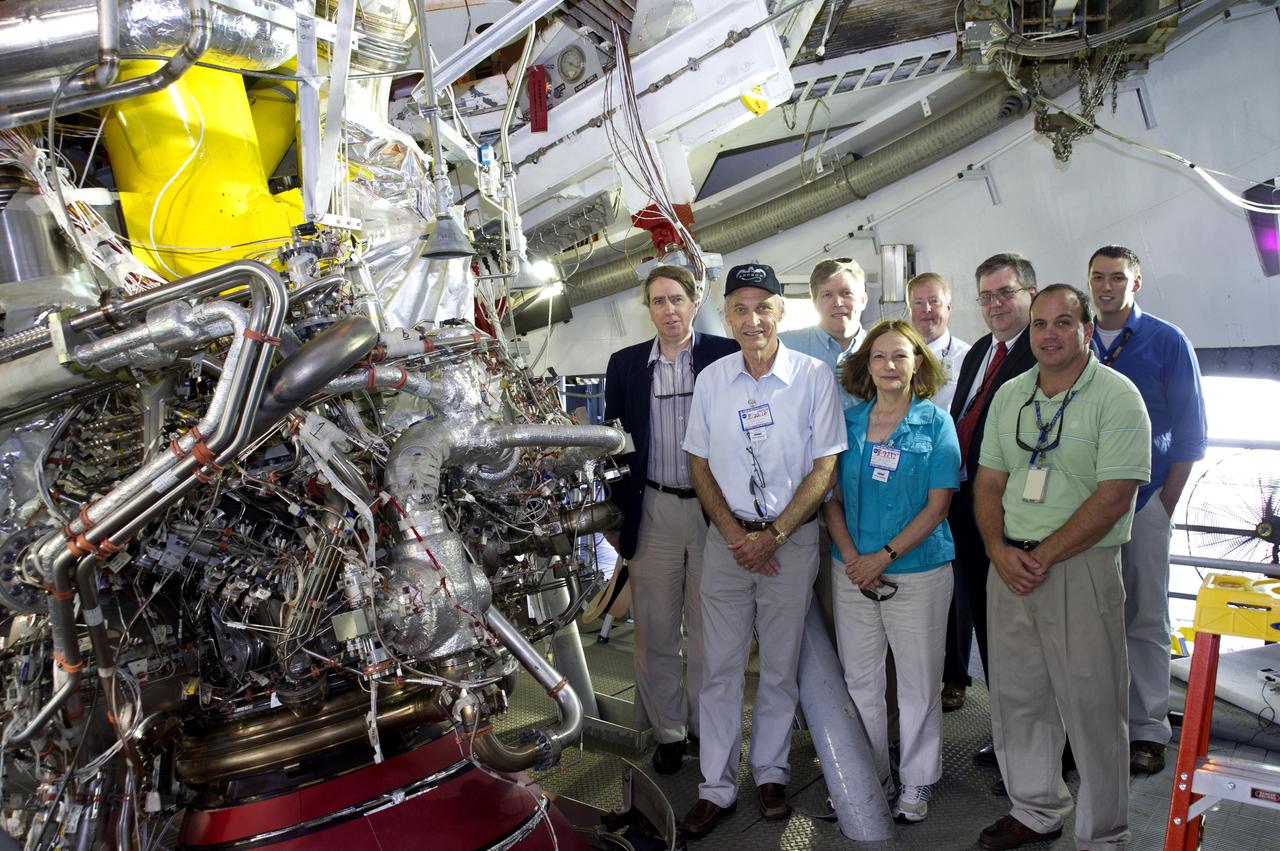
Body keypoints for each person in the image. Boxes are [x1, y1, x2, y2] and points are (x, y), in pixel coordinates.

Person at [973, 284, 1150, 851]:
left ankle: (1103, 833)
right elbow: (989, 482)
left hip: (1080, 567)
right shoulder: (1010, 395)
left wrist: (1042, 555)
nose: (1049, 334)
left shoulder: (1117, 396)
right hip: (1010, 566)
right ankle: (1035, 809)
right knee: (1019, 697)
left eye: (1063, 323)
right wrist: (999, 551)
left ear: (1086, 329)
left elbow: (1115, 495)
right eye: (1041, 324)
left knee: (1094, 704)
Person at [678, 263, 845, 839]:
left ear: (781, 311)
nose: (753, 319)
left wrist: (772, 536)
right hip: (727, 544)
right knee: (719, 670)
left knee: (779, 668)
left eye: (764, 307)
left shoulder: (814, 377)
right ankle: (715, 787)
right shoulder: (712, 379)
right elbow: (698, 463)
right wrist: (734, 536)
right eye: (741, 309)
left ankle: (770, 772)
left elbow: (824, 467)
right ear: (727, 316)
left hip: (790, 544)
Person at [603, 265, 739, 775]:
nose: (669, 310)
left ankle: (708, 727)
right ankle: (669, 731)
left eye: (677, 299)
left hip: (714, 511)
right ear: (649, 308)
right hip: (654, 507)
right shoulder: (625, 365)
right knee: (655, 632)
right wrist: (617, 514)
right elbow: (615, 448)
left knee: (712, 632)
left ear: (693, 301)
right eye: (658, 301)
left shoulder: (725, 356)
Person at [823, 319, 960, 823]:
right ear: (867, 365)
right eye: (879, 357)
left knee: (919, 683)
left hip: (918, 571)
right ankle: (871, 773)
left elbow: (938, 505)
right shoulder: (849, 424)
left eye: (900, 356)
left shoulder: (936, 423)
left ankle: (918, 782)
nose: (888, 366)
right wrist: (855, 561)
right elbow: (830, 499)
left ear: (917, 364)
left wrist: (883, 557)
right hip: (851, 571)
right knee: (860, 682)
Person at [1087, 245, 1207, 775]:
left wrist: (1165, 501)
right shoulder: (1075, 339)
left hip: (1144, 503)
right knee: (1089, 618)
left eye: (1117, 278)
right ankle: (1094, 724)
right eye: (1097, 277)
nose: (1106, 287)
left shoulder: (1167, 341)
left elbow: (1191, 430)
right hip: (1082, 508)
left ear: (1136, 284)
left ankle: (1148, 729)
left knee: (1146, 617)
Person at [940, 253, 1038, 721]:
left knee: (1016, 634)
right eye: (986, 296)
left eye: (1006, 293)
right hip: (967, 504)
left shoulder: (1042, 349)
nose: (995, 304)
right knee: (986, 623)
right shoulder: (980, 350)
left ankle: (1036, 749)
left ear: (1030, 295)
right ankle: (1007, 736)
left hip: (1011, 512)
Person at [779, 257, 869, 410]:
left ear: (863, 300)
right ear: (814, 303)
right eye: (827, 295)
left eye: (846, 293)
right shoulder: (784, 347)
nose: (838, 303)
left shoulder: (882, 349)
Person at [907, 272, 971, 411]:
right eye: (918, 302)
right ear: (910, 310)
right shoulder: (897, 356)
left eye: (934, 301)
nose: (926, 309)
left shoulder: (968, 358)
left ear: (948, 308)